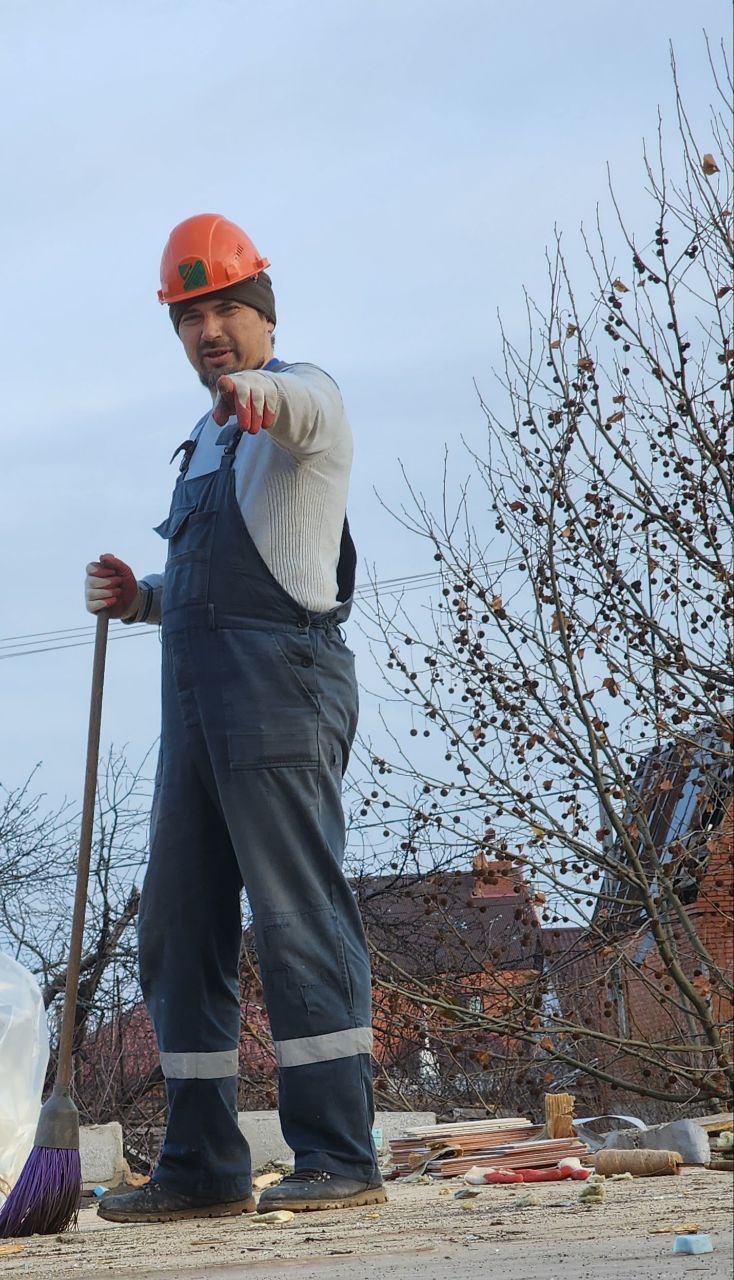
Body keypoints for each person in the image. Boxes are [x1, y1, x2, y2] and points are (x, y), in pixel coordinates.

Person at [86, 214, 383, 1223]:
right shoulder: (207, 439)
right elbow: (215, 581)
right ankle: (203, 1162)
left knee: (296, 917)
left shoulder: (300, 400)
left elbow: (299, 409)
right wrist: (142, 597)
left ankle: (339, 1151)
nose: (208, 330)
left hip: (279, 690)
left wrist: (264, 392)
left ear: (261, 318)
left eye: (224, 311)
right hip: (197, 707)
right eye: (190, 316)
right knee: (176, 925)